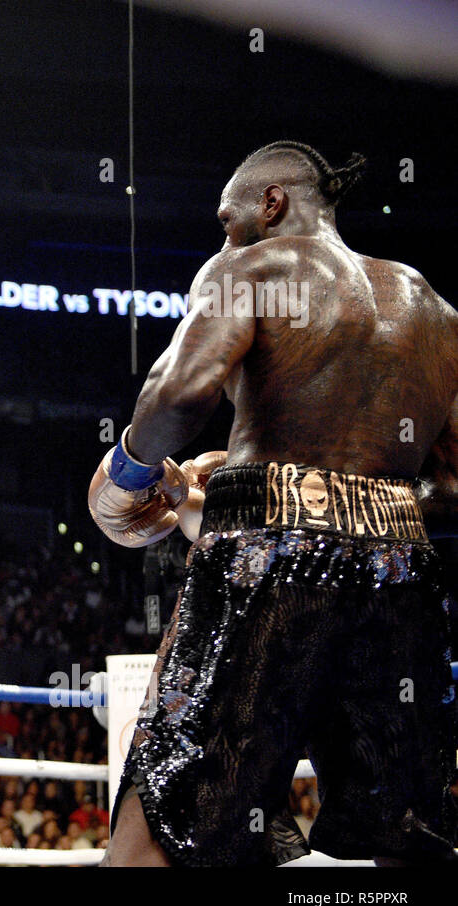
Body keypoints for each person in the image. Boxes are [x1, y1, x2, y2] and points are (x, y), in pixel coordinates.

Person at [89, 141, 458, 865]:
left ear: (272, 203)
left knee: (158, 830)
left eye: (228, 220)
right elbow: (451, 487)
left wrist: (130, 476)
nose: (222, 238)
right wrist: (347, 496)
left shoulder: (251, 266)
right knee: (398, 839)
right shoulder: (437, 312)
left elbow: (180, 393)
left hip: (268, 559)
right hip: (401, 571)